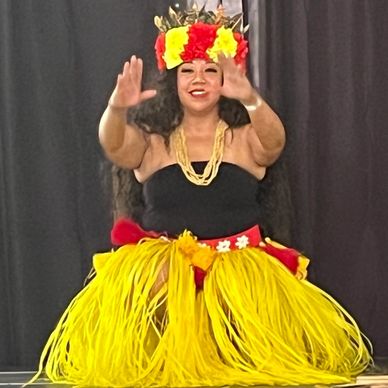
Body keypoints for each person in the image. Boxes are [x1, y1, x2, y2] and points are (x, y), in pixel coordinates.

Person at [32, 4, 372, 387]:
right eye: (188, 70)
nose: (199, 79)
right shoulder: (154, 143)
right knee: (156, 280)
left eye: (211, 70)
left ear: (225, 78)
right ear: (173, 80)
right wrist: (116, 108)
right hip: (167, 275)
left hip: (238, 272)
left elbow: (275, 143)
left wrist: (250, 98)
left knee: (245, 317)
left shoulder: (243, 139)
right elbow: (114, 146)